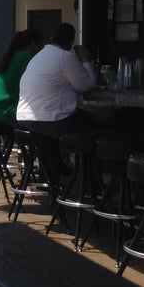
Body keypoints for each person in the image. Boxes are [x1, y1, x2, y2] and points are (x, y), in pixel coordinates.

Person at [16, 22, 96, 182]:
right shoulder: (65, 56)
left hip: (24, 121)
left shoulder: (39, 56)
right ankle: (89, 180)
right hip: (49, 122)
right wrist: (86, 60)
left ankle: (50, 178)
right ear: (71, 42)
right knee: (93, 125)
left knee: (50, 138)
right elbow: (86, 85)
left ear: (52, 38)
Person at [0, 28, 44, 125]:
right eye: (41, 46)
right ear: (32, 44)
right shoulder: (27, 56)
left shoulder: (11, 56)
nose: (42, 51)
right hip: (7, 110)